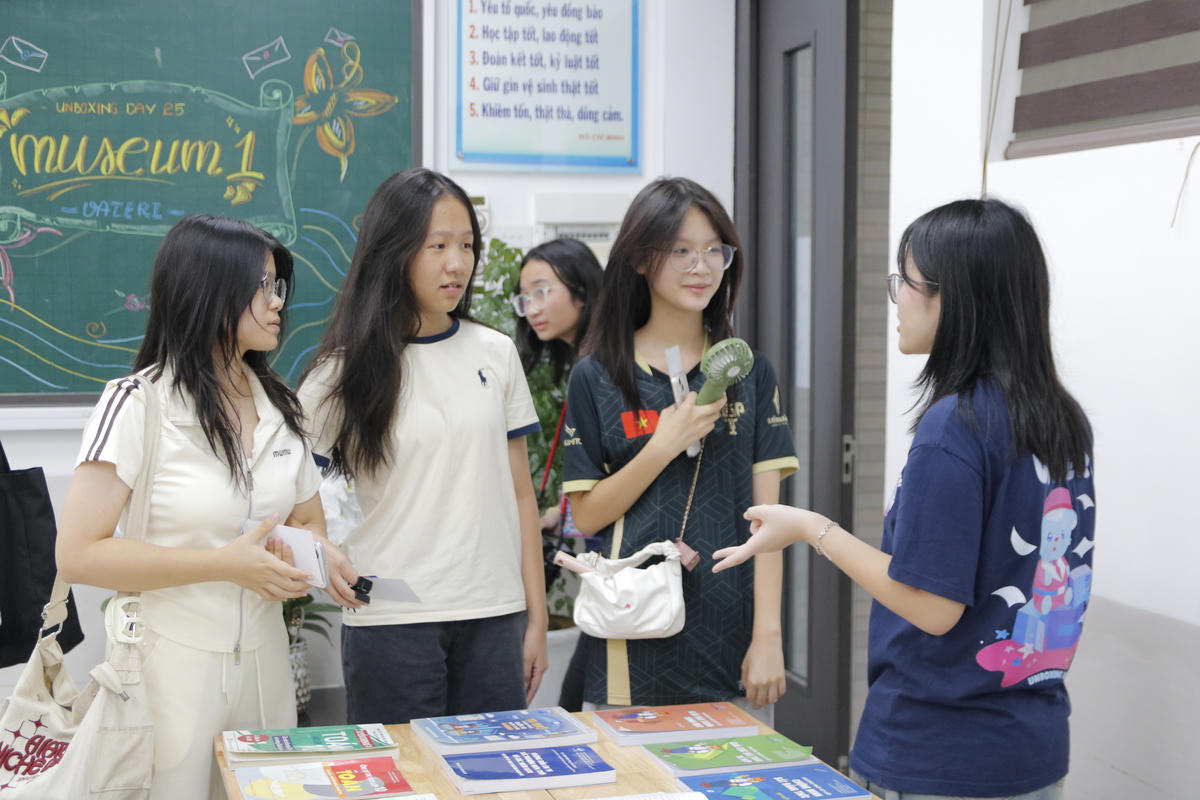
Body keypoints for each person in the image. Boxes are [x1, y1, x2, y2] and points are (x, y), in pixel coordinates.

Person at [714, 198, 1095, 799]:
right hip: (1033, 749)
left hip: (938, 756)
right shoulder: (1063, 421)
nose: (896, 299)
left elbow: (931, 606)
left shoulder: (957, 426)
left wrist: (812, 528)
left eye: (906, 282)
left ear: (957, 299)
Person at [56, 214, 359, 800]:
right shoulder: (137, 403)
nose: (278, 303)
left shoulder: (282, 406)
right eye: (263, 286)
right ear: (210, 290)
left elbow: (307, 522)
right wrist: (224, 564)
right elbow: (77, 554)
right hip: (168, 669)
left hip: (268, 665)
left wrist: (314, 562)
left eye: (280, 287)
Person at [297, 168, 547, 724]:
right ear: (394, 251)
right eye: (437, 246)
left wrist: (535, 620)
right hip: (391, 619)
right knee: (404, 782)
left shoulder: (496, 352)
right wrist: (322, 552)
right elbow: (287, 490)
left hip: (494, 616)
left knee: (493, 784)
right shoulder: (342, 372)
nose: (457, 263)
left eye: (465, 245)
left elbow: (521, 496)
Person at [562, 177, 799, 720]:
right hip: (630, 641)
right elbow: (589, 512)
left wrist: (768, 636)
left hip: (734, 645)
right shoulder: (596, 376)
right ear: (642, 259)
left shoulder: (750, 372)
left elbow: (772, 521)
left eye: (715, 250)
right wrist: (662, 445)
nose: (703, 267)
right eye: (682, 251)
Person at [510, 238, 603, 712]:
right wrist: (562, 513)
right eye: (525, 298)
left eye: (543, 291)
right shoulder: (584, 360)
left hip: (619, 566)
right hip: (605, 561)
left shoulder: (600, 364)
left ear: (582, 288)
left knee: (575, 702)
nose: (532, 309)